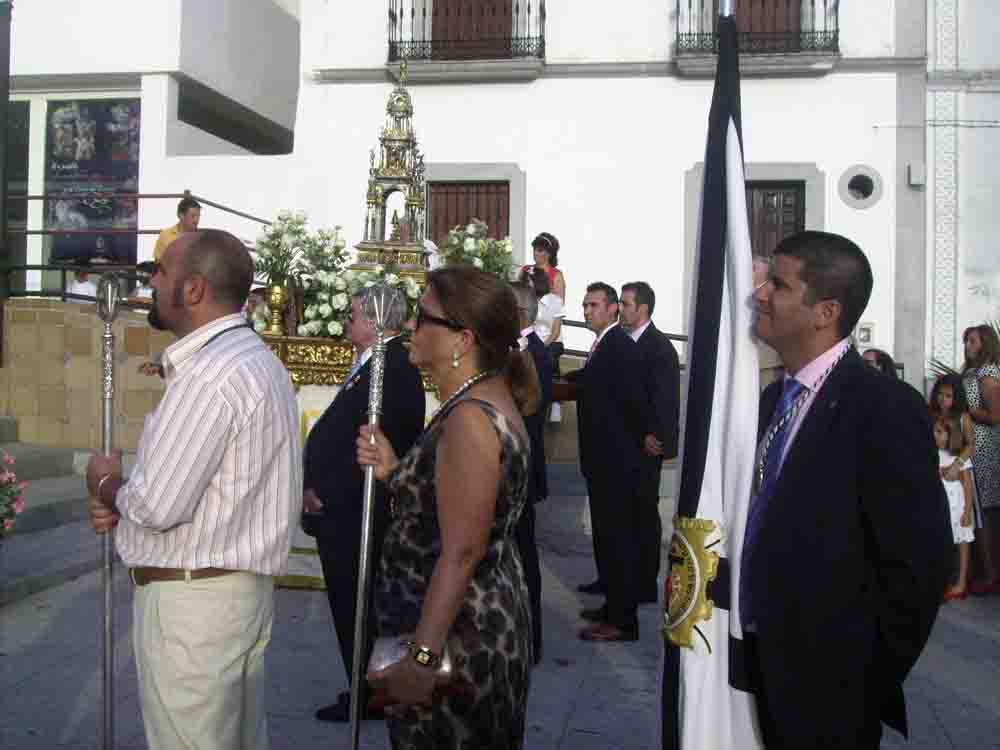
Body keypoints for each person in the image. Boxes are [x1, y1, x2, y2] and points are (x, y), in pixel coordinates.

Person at [86, 229, 301, 750]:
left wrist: (106, 482)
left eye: (161, 272)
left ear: (194, 290)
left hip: (194, 604)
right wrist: (123, 502)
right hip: (230, 593)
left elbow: (157, 506)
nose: (152, 282)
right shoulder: (256, 358)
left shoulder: (211, 373)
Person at [741, 230, 951, 748]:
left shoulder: (883, 407)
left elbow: (920, 566)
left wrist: (860, 681)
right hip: (753, 669)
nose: (759, 294)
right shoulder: (773, 400)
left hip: (827, 693)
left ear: (825, 311)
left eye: (778, 285)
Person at [356, 266, 538, 749]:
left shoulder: (470, 419)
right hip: (470, 624)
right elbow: (456, 510)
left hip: (459, 641)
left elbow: (461, 551)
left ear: (462, 338)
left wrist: (421, 661)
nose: (411, 328)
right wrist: (397, 471)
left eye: (422, 317)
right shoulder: (475, 403)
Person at [302, 289, 426, 723]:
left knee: (359, 603)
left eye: (353, 315)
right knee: (349, 603)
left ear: (376, 320)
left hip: (358, 511)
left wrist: (328, 492)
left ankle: (371, 692)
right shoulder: (373, 364)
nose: (347, 321)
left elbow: (377, 445)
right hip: (342, 511)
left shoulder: (392, 369)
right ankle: (364, 685)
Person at [568, 282, 646, 641]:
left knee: (618, 541)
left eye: (594, 305)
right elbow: (592, 380)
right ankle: (612, 605)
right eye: (585, 305)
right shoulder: (603, 345)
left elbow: (631, 403)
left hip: (615, 462)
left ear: (614, 308)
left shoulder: (619, 346)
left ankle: (622, 620)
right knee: (606, 537)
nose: (587, 311)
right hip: (601, 461)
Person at [620, 281, 680, 604]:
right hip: (624, 442)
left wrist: (657, 436)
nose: (621, 309)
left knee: (643, 512)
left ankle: (645, 583)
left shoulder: (659, 348)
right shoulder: (623, 341)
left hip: (646, 446)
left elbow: (666, 399)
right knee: (626, 514)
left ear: (642, 309)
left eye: (626, 304)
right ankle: (624, 576)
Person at [511, 280, 553, 663]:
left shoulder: (533, 354)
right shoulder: (524, 351)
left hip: (520, 470)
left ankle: (531, 639)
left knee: (524, 557)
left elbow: (527, 413)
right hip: (518, 471)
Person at [961, 324, 1000, 595]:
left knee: (984, 513)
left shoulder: (987, 374)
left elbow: (996, 415)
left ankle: (991, 573)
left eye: (973, 341)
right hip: (972, 448)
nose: (967, 345)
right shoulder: (972, 372)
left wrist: (969, 413)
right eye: (966, 341)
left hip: (985, 450)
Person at [934, 417, 975, 600]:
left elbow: (967, 484)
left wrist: (967, 512)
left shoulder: (958, 456)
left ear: (951, 436)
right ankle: (944, 581)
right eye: (934, 431)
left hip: (958, 508)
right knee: (944, 546)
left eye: (939, 432)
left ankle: (961, 582)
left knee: (962, 544)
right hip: (941, 509)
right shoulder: (932, 453)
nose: (935, 435)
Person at [153, 197, 201, 262]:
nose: (196, 220)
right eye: (193, 216)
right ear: (181, 215)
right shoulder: (165, 236)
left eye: (198, 216)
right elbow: (158, 263)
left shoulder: (201, 237)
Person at [521, 232, 566, 301]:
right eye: (534, 249)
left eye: (540, 250)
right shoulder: (526, 269)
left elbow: (559, 303)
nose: (535, 253)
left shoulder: (556, 275)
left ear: (549, 254)